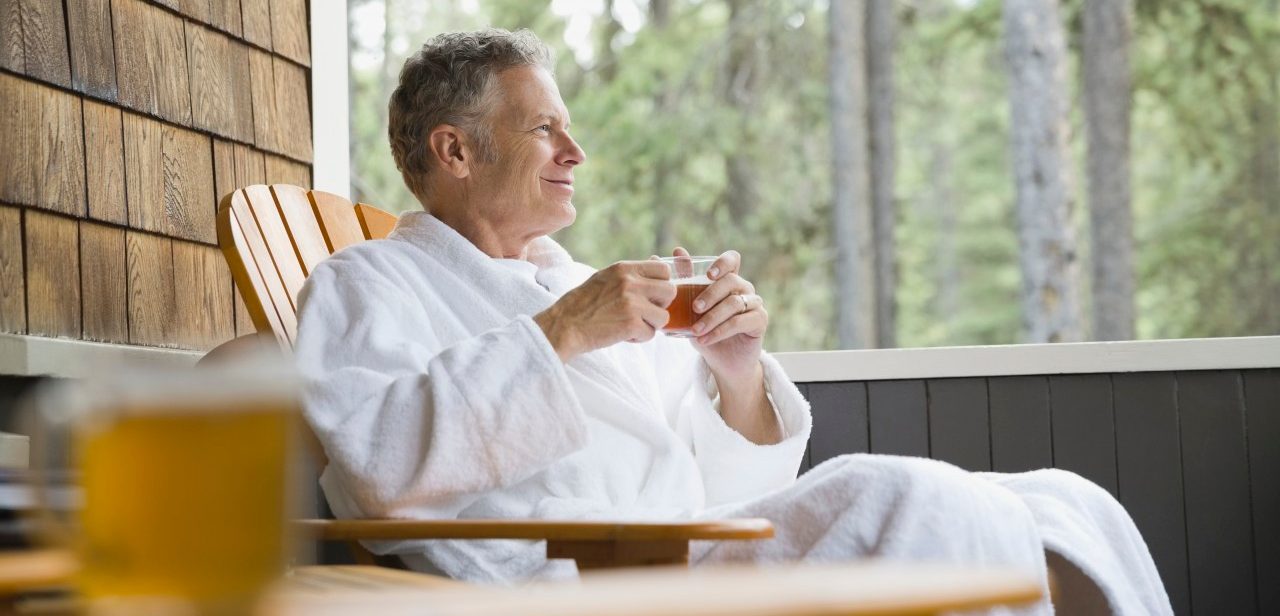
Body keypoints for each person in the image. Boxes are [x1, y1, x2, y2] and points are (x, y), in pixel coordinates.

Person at [294, 28, 1171, 615]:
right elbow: (377, 467)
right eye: (545, 129)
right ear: (454, 150)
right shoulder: (366, 283)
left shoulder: (568, 280)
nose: (577, 153)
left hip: (687, 554)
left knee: (1064, 498)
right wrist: (561, 332)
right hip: (570, 581)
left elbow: (714, 467)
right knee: (908, 495)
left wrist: (735, 366)